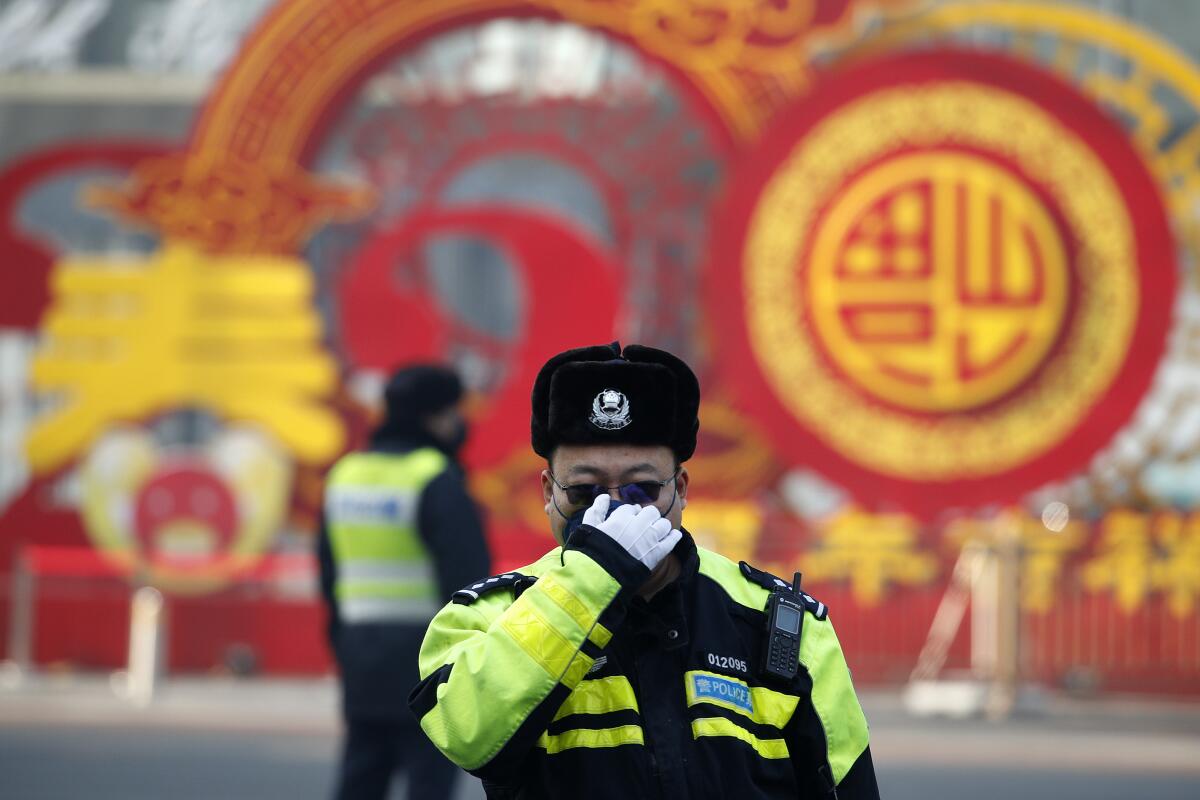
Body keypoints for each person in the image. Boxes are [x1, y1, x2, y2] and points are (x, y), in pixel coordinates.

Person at [410, 343, 879, 799]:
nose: (613, 510)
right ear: (547, 491)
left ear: (681, 488)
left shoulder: (776, 620)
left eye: (641, 490)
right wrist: (596, 575)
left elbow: (847, 785)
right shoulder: (491, 614)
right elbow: (469, 734)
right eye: (585, 491)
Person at [318, 364, 491, 800]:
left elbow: (328, 573)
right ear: (433, 417)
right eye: (452, 412)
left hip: (360, 653)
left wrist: (342, 643)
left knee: (360, 775)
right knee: (428, 781)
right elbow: (469, 581)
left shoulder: (345, 475)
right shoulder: (435, 477)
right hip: (426, 659)